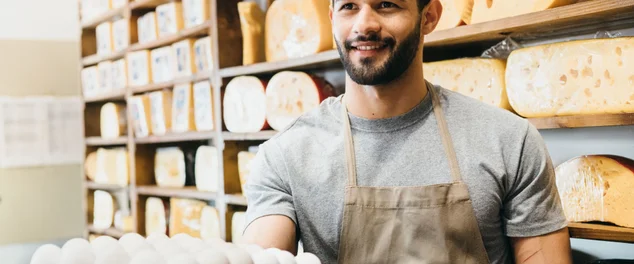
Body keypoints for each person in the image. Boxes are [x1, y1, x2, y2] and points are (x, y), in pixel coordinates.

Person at [241, 0, 573, 263]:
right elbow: (263, 254)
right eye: (349, 7)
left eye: (387, 4)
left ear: (429, 16)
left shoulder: (510, 140)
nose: (365, 24)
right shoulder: (286, 154)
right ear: (332, 21)